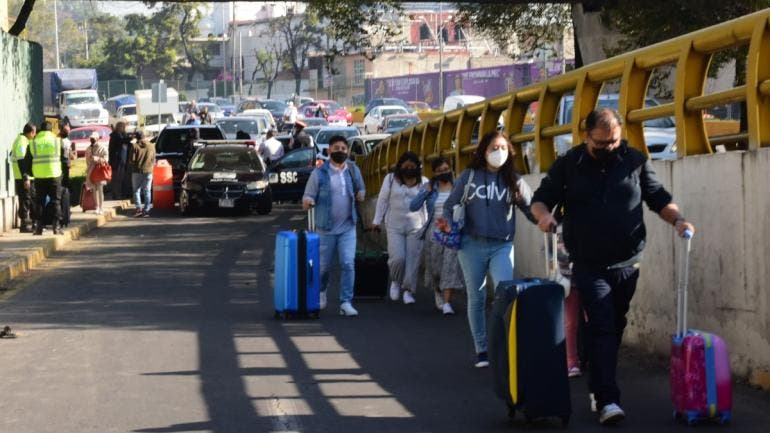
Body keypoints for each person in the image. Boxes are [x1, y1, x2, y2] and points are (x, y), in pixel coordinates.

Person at [530, 108, 695, 425]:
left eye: (614, 142)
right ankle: (608, 400)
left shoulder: (634, 160)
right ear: (585, 135)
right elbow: (541, 199)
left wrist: (678, 219)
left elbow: (657, 196)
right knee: (603, 323)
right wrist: (544, 217)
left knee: (614, 325)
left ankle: (597, 383)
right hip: (588, 262)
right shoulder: (570, 164)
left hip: (628, 260)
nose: (609, 149)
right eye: (601, 144)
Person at [437, 131, 536, 368]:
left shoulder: (515, 180)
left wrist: (549, 222)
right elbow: (450, 206)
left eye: (503, 147)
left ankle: (502, 344)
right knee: (477, 296)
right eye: (494, 147)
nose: (499, 152)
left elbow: (532, 209)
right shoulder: (469, 177)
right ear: (483, 151)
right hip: (471, 245)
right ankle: (481, 349)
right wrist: (448, 223)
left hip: (502, 244)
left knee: (505, 291)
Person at [302, 135, 366, 317]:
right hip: (325, 228)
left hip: (348, 226)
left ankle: (346, 302)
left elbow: (361, 188)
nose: (340, 151)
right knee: (323, 267)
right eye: (336, 148)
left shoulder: (353, 170)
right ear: (329, 151)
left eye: (343, 148)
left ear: (348, 151)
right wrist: (308, 201)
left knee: (348, 263)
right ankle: (321, 291)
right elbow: (308, 195)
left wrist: (361, 193)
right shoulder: (319, 173)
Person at [372, 151, 429, 305]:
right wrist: (376, 220)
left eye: (412, 166)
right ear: (400, 167)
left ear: (417, 168)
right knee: (398, 258)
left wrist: (428, 226)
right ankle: (396, 281)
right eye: (406, 166)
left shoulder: (424, 182)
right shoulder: (390, 179)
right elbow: (383, 200)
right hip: (394, 226)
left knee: (413, 261)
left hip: (416, 227)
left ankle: (409, 291)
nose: (409, 169)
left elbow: (427, 206)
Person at [409, 156, 464, 315]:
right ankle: (438, 293)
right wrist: (425, 192)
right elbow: (413, 207)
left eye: (446, 169)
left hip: (452, 230)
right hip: (434, 230)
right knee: (435, 267)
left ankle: (447, 303)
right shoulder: (430, 187)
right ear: (434, 173)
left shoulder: (458, 186)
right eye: (440, 171)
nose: (444, 173)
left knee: (450, 265)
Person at [23, 121, 63, 235]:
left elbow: (27, 162)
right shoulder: (56, 141)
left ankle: (39, 228)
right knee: (56, 201)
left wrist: (27, 176)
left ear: (40, 130)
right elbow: (64, 159)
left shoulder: (33, 143)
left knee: (39, 202)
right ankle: (56, 227)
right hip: (55, 175)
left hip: (39, 177)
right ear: (51, 131)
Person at [10, 123, 37, 233]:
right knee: (25, 199)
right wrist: (25, 177)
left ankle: (26, 223)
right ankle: (24, 225)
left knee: (26, 198)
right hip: (22, 176)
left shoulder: (23, 139)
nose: (34, 135)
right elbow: (22, 161)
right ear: (31, 132)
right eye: (34, 132)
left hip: (22, 176)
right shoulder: (22, 141)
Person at [129, 131, 155, 218]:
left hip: (137, 171)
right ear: (144, 136)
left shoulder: (134, 146)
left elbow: (132, 160)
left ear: (136, 137)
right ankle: (146, 210)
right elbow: (154, 159)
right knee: (147, 191)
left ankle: (138, 209)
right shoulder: (151, 145)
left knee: (136, 191)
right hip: (148, 171)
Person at [85, 131, 109, 215]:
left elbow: (106, 159)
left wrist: (97, 159)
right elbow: (87, 161)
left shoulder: (103, 148)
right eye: (91, 138)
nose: (91, 139)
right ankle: (97, 206)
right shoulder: (88, 149)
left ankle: (101, 207)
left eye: (93, 138)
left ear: (97, 139)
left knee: (100, 190)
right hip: (91, 171)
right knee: (94, 190)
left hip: (100, 171)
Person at [108, 121, 132, 199]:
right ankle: (116, 195)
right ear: (119, 127)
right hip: (117, 161)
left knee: (122, 178)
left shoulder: (122, 135)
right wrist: (130, 138)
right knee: (116, 179)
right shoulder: (115, 135)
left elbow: (127, 142)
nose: (124, 129)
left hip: (123, 160)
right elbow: (122, 141)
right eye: (123, 127)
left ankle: (121, 194)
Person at [58, 124, 73, 228]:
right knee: (61, 190)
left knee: (66, 190)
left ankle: (66, 210)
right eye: (66, 130)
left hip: (66, 167)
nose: (68, 132)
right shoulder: (58, 140)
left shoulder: (67, 141)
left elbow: (70, 153)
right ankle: (62, 212)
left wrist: (71, 158)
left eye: (69, 130)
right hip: (59, 169)